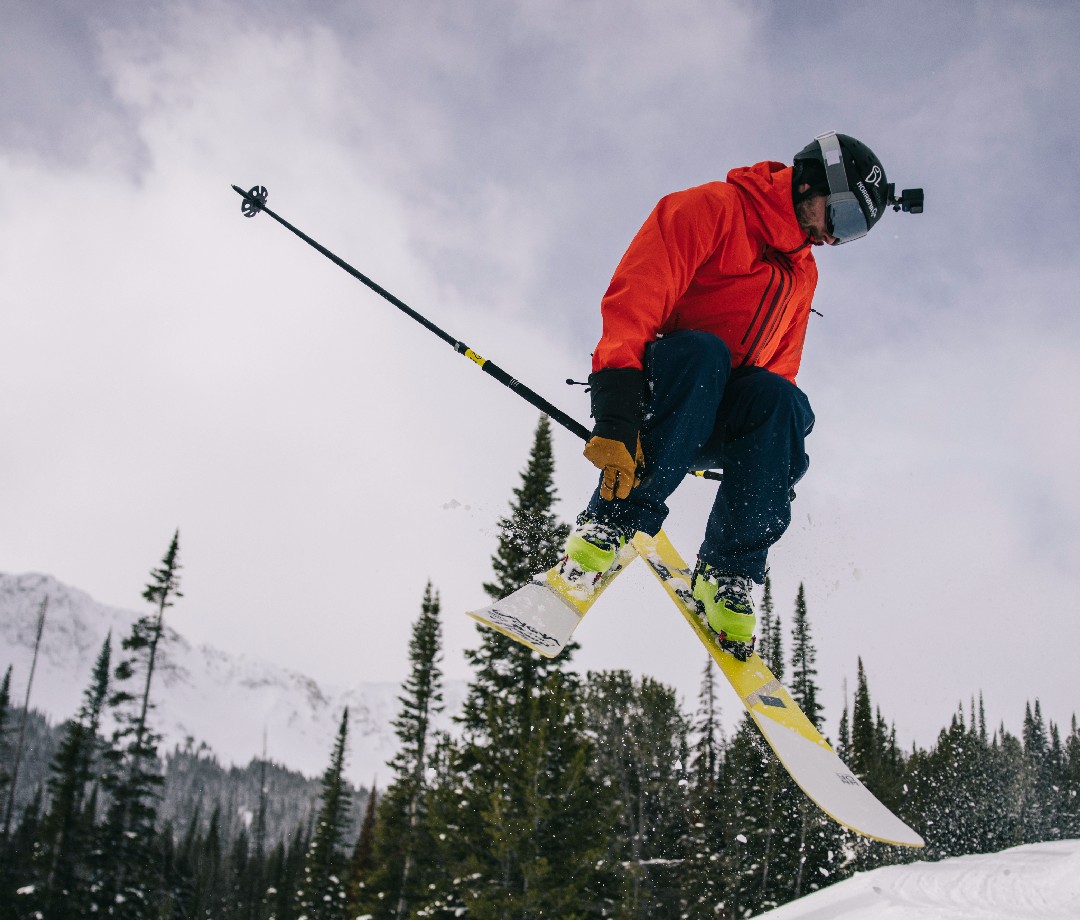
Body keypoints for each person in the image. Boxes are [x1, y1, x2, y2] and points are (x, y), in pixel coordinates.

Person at [561, 132, 899, 660]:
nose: (835, 238)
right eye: (841, 216)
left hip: (710, 414)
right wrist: (616, 415)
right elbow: (635, 302)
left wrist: (769, 466)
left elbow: (779, 372)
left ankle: (727, 575)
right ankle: (611, 521)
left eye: (851, 233)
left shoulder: (802, 274)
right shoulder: (711, 209)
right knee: (704, 353)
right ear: (809, 181)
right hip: (657, 395)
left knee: (780, 399)